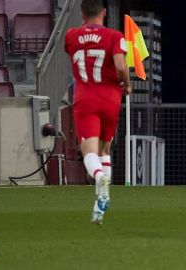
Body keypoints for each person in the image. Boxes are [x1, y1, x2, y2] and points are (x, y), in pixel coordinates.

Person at [65, 0, 131, 224]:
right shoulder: (114, 36)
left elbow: (75, 55)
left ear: (82, 14)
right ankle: (99, 209)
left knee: (89, 152)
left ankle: (99, 177)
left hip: (85, 98)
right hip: (110, 99)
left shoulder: (71, 36)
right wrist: (127, 84)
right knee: (105, 150)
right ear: (103, 12)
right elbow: (121, 66)